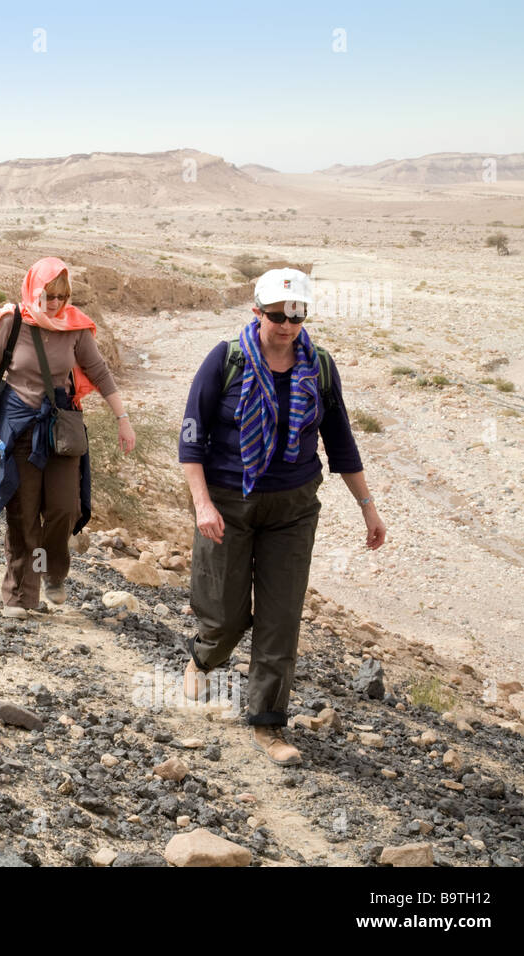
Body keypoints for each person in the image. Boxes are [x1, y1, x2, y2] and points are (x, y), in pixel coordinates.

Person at [178, 267, 386, 767]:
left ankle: (268, 724)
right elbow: (191, 437)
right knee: (224, 611)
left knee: (281, 617)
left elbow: (340, 442)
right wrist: (202, 503)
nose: (287, 325)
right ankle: (206, 656)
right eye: (277, 316)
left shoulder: (319, 367)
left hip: (293, 505)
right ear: (257, 312)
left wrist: (368, 508)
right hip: (227, 501)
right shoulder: (224, 359)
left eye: (297, 315)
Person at [0, 257, 134, 620]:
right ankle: (19, 597)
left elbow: (100, 372)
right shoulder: (11, 322)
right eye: (49, 294)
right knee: (23, 513)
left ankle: (53, 572)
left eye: (63, 295)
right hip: (16, 429)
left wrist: (122, 418)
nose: (56, 302)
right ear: (34, 290)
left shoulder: (74, 327)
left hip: (59, 429)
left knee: (64, 508)